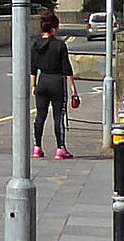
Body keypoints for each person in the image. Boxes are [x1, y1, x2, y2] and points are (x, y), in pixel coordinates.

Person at [30, 10, 80, 159]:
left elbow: (33, 68)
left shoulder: (36, 44)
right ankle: (60, 149)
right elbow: (67, 69)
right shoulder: (59, 45)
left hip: (42, 81)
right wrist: (74, 91)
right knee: (58, 116)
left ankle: (37, 148)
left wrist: (34, 86)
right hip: (57, 82)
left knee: (40, 115)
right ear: (54, 27)